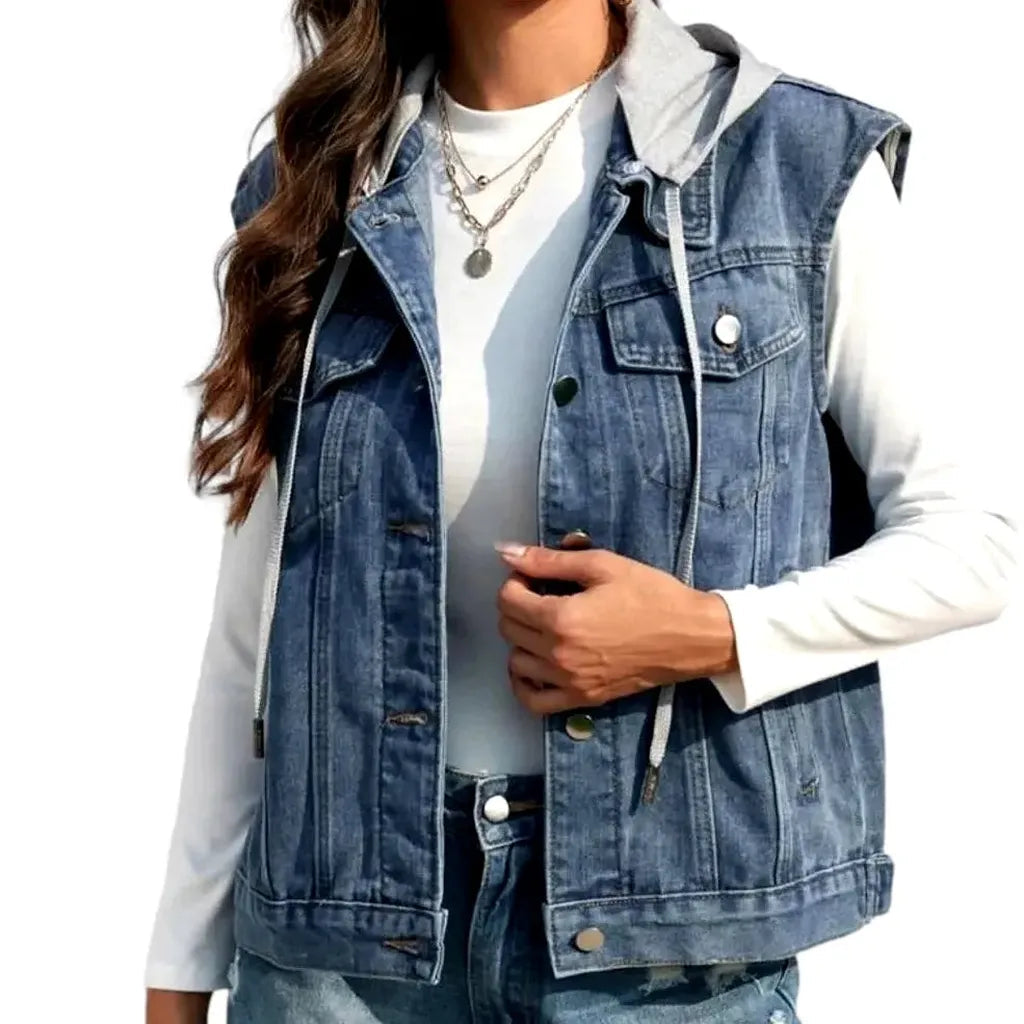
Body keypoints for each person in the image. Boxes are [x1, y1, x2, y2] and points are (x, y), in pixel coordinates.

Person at [144, 0, 1020, 1021]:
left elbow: (972, 543)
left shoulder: (790, 163)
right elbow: (257, 622)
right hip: (337, 952)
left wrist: (708, 633)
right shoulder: (317, 182)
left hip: (660, 962)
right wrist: (180, 965)